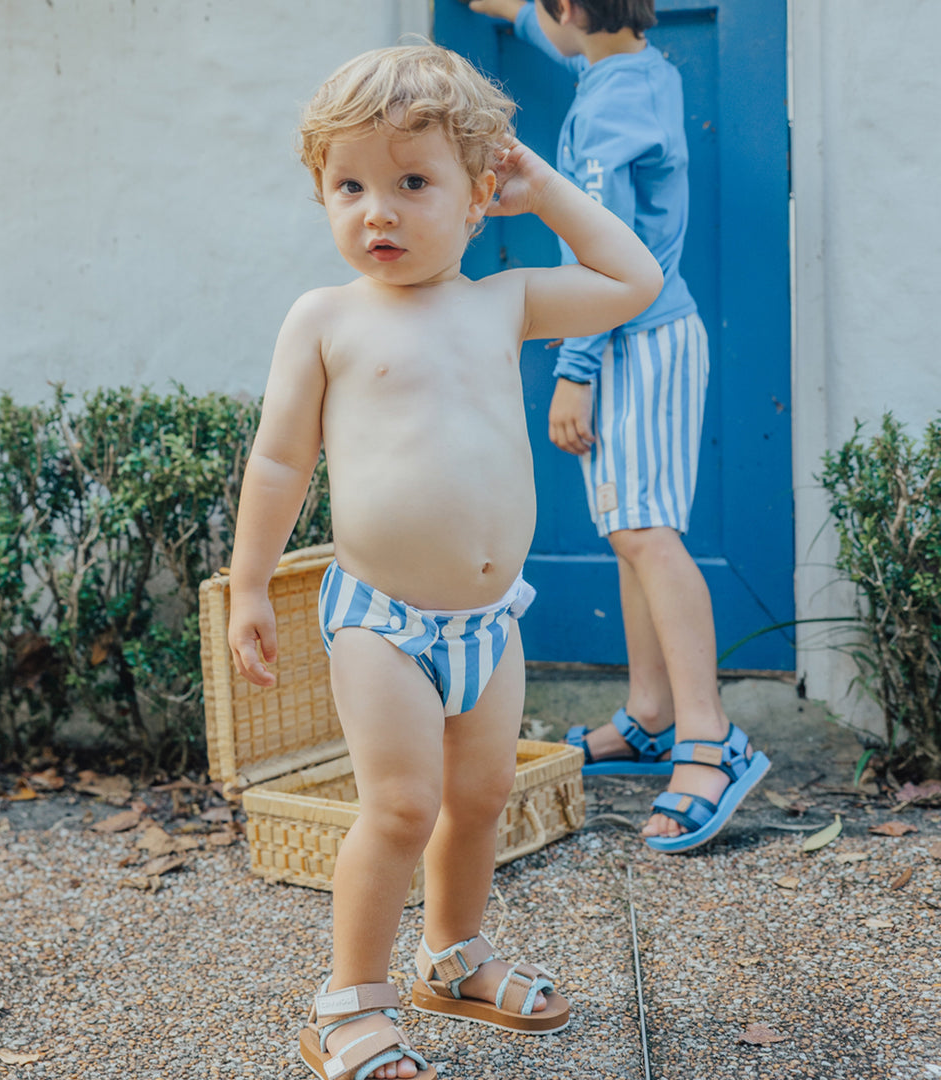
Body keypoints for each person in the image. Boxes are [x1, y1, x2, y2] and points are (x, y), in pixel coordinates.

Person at [226, 43, 662, 1080]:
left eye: (413, 183)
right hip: (382, 621)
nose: (376, 211)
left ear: (479, 197)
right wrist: (250, 582)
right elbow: (281, 458)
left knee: (480, 799)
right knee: (403, 805)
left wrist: (545, 187)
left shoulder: (502, 302)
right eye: (350, 185)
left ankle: (454, 957)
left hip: (488, 623)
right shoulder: (325, 320)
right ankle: (350, 1004)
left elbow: (634, 278)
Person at [464, 0, 770, 853]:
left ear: (571, 8)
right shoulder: (634, 69)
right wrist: (516, 12)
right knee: (631, 532)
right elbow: (569, 37)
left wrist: (574, 370)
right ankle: (650, 716)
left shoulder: (605, 106)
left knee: (646, 532)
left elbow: (610, 251)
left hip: (636, 340)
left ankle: (710, 739)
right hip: (640, 337)